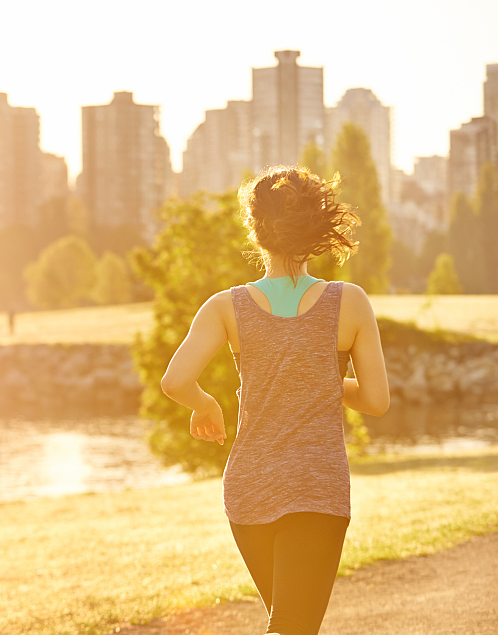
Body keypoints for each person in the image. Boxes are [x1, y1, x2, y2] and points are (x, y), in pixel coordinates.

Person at [159, 166, 390, 635]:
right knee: (292, 626)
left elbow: (176, 380)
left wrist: (205, 405)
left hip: (247, 490)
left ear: (255, 228)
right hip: (316, 489)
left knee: (291, 623)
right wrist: (324, 384)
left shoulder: (226, 306)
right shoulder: (351, 302)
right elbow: (376, 400)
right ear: (314, 228)